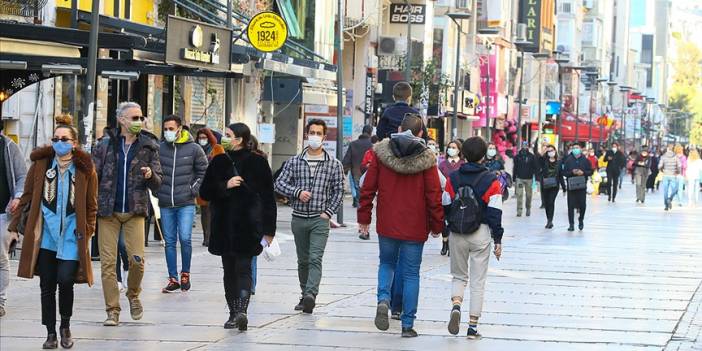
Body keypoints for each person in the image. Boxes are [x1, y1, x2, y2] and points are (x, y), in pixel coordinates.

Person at [9, 122, 97, 349]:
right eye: (55, 139)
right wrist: (13, 228)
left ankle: (65, 325)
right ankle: (50, 333)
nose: (59, 143)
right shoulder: (41, 165)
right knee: (47, 285)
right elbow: (27, 196)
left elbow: (91, 205)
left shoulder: (85, 168)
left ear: (74, 143)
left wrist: (88, 229)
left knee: (66, 280)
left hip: (71, 234)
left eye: (64, 139)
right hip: (45, 235)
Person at [357, 114, 443, 338]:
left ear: (398, 128)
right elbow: (434, 195)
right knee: (411, 273)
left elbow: (368, 188)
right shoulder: (427, 158)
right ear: (421, 133)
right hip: (415, 226)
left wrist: (364, 218)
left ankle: (383, 300)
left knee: (386, 263)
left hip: (387, 223)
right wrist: (437, 225)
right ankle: (407, 325)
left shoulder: (380, 153)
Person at [199, 123, 276, 330]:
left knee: (243, 268)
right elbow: (204, 192)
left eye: (228, 135)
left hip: (248, 225)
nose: (224, 138)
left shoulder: (258, 162)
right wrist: (225, 185)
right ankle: (233, 312)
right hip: (224, 226)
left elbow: (269, 198)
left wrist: (269, 231)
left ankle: (241, 311)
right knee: (228, 270)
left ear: (239, 139)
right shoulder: (219, 161)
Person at [92, 102, 163, 326]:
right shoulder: (104, 145)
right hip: (108, 211)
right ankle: (112, 310)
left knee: (137, 260)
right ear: (121, 120)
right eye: (134, 118)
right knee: (108, 264)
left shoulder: (149, 146)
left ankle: (133, 294)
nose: (139, 122)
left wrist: (151, 174)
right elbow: (94, 177)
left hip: (135, 210)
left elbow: (158, 182)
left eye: (141, 117)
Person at [274, 119, 344, 314]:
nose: (314, 136)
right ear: (306, 135)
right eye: (311, 132)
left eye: (318, 133)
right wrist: (297, 192)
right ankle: (304, 293)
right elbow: (278, 184)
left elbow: (339, 191)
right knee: (303, 259)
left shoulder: (333, 164)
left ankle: (311, 294)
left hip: (319, 220)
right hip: (298, 218)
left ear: (324, 136)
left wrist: (328, 213)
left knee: (315, 258)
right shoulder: (295, 161)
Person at [445, 136, 504, 339]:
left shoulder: (453, 178)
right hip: (480, 233)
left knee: (459, 276)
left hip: (457, 232)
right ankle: (472, 327)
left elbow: (445, 204)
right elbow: (495, 213)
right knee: (478, 281)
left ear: (463, 154)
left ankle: (456, 305)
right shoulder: (491, 180)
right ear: (483, 157)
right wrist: (498, 239)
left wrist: (447, 228)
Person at [157, 115, 208, 293]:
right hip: (165, 202)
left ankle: (185, 273)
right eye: (165, 129)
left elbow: (204, 171)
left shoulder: (194, 149)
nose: (168, 132)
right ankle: (173, 278)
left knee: (185, 238)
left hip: (186, 202)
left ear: (179, 129)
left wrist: (192, 190)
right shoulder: (160, 148)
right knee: (169, 241)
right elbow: (155, 170)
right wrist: (157, 189)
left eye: (171, 128)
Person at [0, 120, 27, 318]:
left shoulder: (9, 147)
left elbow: (21, 176)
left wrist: (18, 196)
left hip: (3, 211)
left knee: (0, 257)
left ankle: (0, 300)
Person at [195, 128, 225, 247]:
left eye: (204, 137)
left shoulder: (216, 148)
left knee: (214, 211)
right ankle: (206, 237)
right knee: (205, 211)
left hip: (215, 183)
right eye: (200, 137)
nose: (202, 140)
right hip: (201, 184)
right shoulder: (196, 149)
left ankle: (213, 235)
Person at [438, 140, 464, 256]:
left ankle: (453, 243)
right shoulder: (442, 164)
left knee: (455, 220)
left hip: (458, 196)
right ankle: (445, 242)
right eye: (450, 147)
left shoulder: (463, 164)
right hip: (444, 195)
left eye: (454, 147)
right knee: (444, 220)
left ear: (459, 150)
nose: (451, 149)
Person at [561, 143, 593, 231]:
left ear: (580, 149)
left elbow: (590, 171)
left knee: (582, 205)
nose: (575, 149)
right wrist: (572, 172)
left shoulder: (585, 160)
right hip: (571, 186)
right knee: (570, 205)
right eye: (574, 148)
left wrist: (583, 173)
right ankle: (571, 224)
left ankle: (581, 219)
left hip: (582, 186)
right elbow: (564, 172)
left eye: (577, 148)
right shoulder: (568, 160)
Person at [343, 125, 374, 208]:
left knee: (357, 186)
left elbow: (347, 158)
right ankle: (362, 202)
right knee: (366, 187)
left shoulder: (353, 144)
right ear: (371, 133)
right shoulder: (372, 145)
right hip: (368, 170)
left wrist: (344, 171)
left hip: (356, 171)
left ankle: (357, 201)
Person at [540, 145, 565, 228]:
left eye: (552, 150)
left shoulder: (559, 161)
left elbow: (561, 175)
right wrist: (543, 151)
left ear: (555, 151)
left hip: (555, 185)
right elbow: (538, 160)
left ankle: (550, 220)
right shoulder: (544, 160)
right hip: (545, 185)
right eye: (549, 151)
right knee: (547, 203)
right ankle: (548, 219)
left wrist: (564, 188)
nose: (551, 152)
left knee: (551, 202)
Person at [512, 144, 538, 217]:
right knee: (519, 194)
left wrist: (536, 178)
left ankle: (528, 208)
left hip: (529, 178)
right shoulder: (517, 157)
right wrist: (514, 178)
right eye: (523, 145)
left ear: (528, 147)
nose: (524, 147)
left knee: (529, 195)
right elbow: (515, 167)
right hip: (519, 178)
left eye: (526, 146)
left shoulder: (532, 156)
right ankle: (519, 210)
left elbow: (535, 167)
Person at [659, 145, 682, 211]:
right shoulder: (676, 157)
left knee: (665, 191)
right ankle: (670, 199)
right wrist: (678, 172)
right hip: (673, 175)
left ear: (667, 149)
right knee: (675, 189)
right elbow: (679, 165)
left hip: (665, 175)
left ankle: (666, 205)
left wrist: (662, 170)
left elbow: (659, 166)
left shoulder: (663, 156)